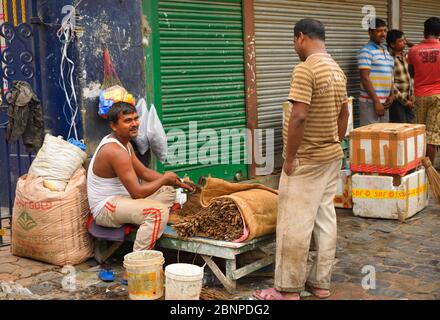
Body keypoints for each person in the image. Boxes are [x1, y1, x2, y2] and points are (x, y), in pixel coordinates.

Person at [254, 18, 349, 300]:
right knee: (324, 219)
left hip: (307, 160)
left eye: (294, 41)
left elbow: (299, 115)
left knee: (293, 223)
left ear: (300, 38)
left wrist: (290, 157)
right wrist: (335, 140)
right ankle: (320, 284)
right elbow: (345, 113)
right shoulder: (336, 69)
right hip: (331, 157)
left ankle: (287, 289)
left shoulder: (305, 69)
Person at [87, 102, 192, 251]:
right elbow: (137, 193)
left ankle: (142, 220)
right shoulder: (115, 151)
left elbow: (144, 172)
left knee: (169, 190)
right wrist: (164, 179)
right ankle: (138, 261)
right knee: (158, 212)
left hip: (124, 199)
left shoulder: (126, 144)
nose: (134, 124)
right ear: (113, 126)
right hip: (106, 208)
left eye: (136, 119)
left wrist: (177, 182)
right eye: (128, 121)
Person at [408, 17, 440, 164]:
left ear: (424, 31)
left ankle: (419, 168)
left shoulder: (413, 51)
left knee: (420, 132)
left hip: (420, 95)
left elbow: (411, 73)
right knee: (432, 135)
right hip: (438, 95)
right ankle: (430, 170)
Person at [358, 18, 395, 125]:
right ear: (370, 33)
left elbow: (390, 75)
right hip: (370, 102)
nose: (383, 34)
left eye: (385, 30)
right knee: (369, 136)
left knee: (384, 137)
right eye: (379, 31)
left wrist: (392, 95)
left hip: (385, 103)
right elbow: (365, 78)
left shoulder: (386, 52)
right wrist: (376, 101)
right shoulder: (366, 51)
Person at [386, 29, 415, 123]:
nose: (404, 43)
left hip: (410, 99)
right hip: (398, 102)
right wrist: (405, 102)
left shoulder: (406, 56)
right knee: (400, 128)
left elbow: (419, 49)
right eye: (401, 41)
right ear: (392, 44)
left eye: (404, 40)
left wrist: (412, 97)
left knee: (411, 128)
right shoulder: (389, 59)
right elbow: (391, 84)